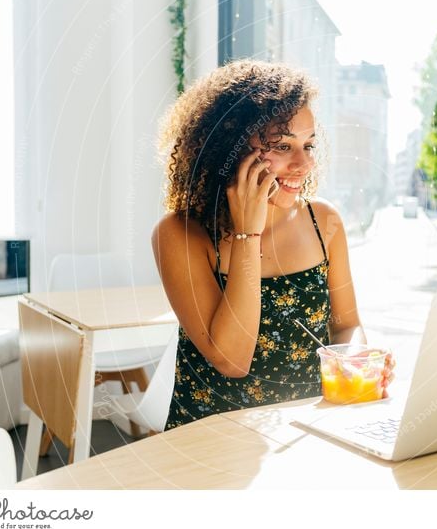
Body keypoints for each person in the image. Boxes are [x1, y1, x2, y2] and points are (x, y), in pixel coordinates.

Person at [153, 60, 393, 429]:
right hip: (208, 442)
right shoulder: (179, 234)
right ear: (228, 149)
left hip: (304, 434)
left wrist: (355, 362)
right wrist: (249, 233)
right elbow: (232, 360)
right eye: (282, 146)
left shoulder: (323, 222)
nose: (303, 164)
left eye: (308, 145)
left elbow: (346, 326)